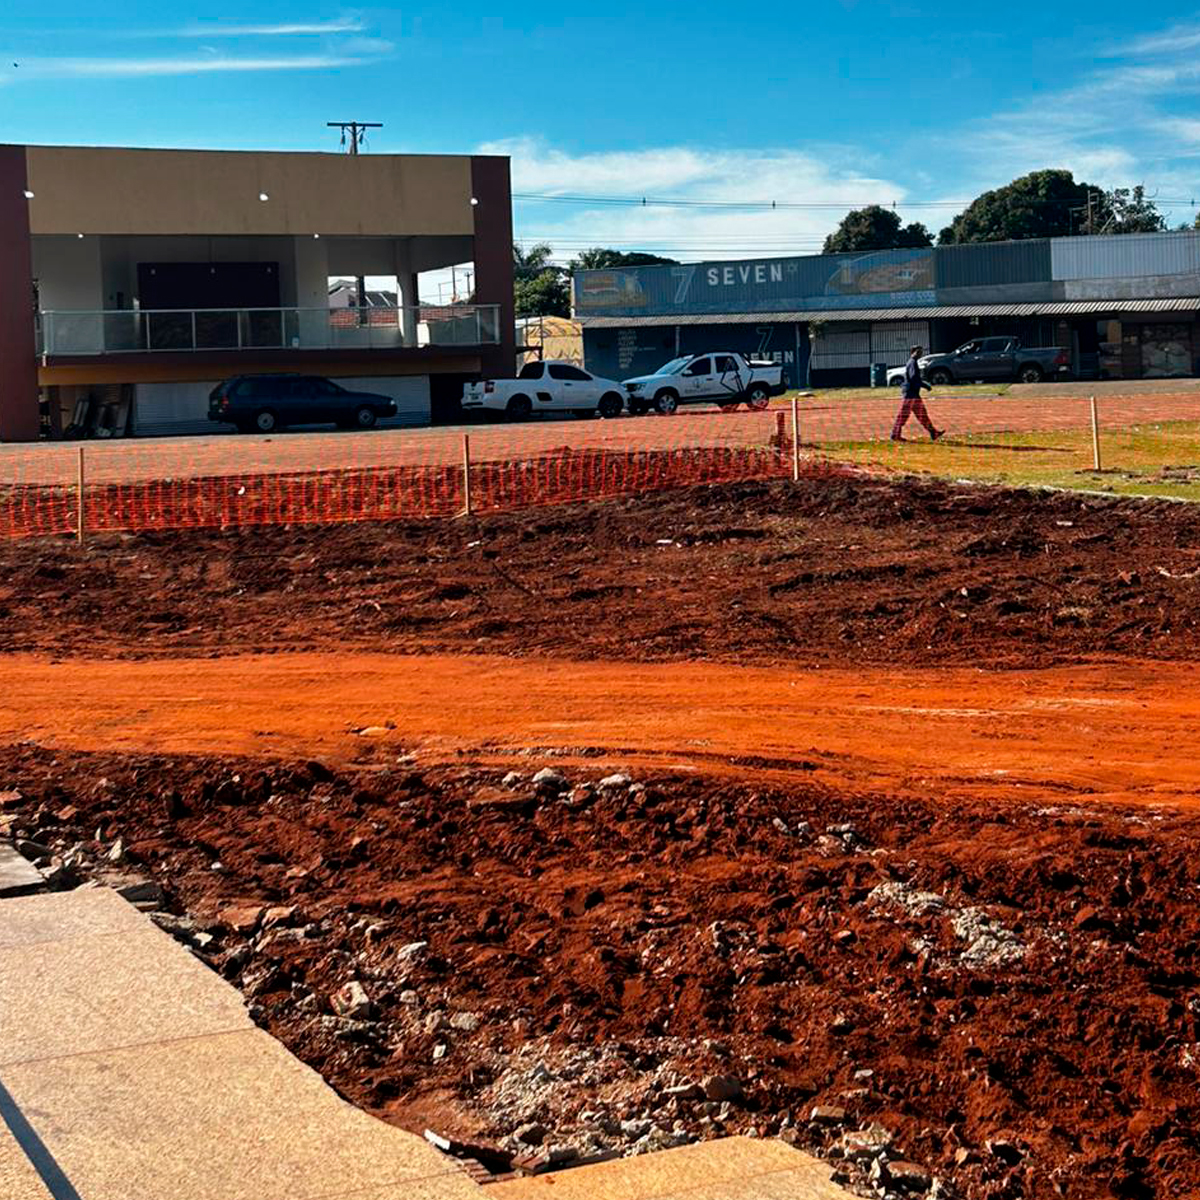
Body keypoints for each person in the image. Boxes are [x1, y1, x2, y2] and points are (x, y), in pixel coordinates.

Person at [892, 346, 943, 442]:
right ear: (912, 352)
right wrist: (924, 385)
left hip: (914, 394)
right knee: (903, 415)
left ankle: (933, 433)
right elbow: (914, 378)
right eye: (918, 352)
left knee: (922, 415)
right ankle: (895, 435)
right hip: (910, 394)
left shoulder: (913, 362)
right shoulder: (912, 363)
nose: (920, 354)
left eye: (921, 352)